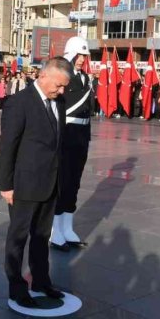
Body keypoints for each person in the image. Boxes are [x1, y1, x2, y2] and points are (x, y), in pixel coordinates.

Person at [0, 56, 72, 308]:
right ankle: (17, 288)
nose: (61, 91)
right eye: (58, 85)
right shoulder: (19, 103)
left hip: (50, 182)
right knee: (18, 238)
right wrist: (6, 185)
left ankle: (41, 281)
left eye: (64, 87)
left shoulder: (59, 102)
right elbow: (7, 146)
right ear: (43, 76)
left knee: (41, 237)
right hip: (24, 184)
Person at [50, 37, 93, 252]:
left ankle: (68, 228)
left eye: (85, 56)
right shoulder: (64, 77)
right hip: (67, 132)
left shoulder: (85, 78)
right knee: (62, 181)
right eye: (80, 55)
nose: (83, 59)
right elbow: (61, 106)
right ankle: (55, 231)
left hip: (82, 134)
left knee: (74, 182)